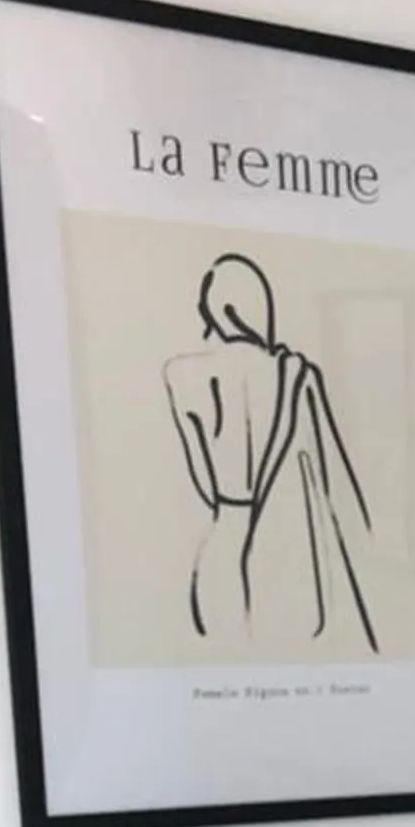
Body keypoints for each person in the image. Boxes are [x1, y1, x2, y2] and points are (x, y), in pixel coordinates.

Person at [163, 252, 377, 654]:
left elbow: (204, 485)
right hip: (280, 551)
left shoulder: (182, 376)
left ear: (218, 309)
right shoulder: (295, 373)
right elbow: (329, 478)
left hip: (221, 540)